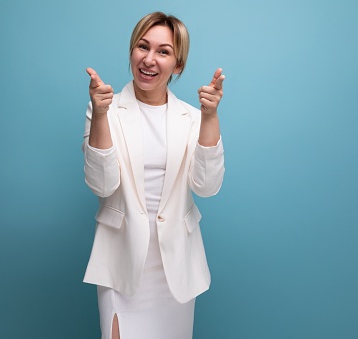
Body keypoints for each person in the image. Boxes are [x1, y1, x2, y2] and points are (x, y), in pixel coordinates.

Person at [82, 11, 225, 339]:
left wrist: (210, 117)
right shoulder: (105, 108)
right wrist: (101, 116)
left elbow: (207, 186)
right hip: (122, 259)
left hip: (175, 265)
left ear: (178, 65)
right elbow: (101, 184)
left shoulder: (192, 117)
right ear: (132, 51)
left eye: (163, 51)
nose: (149, 59)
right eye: (142, 47)